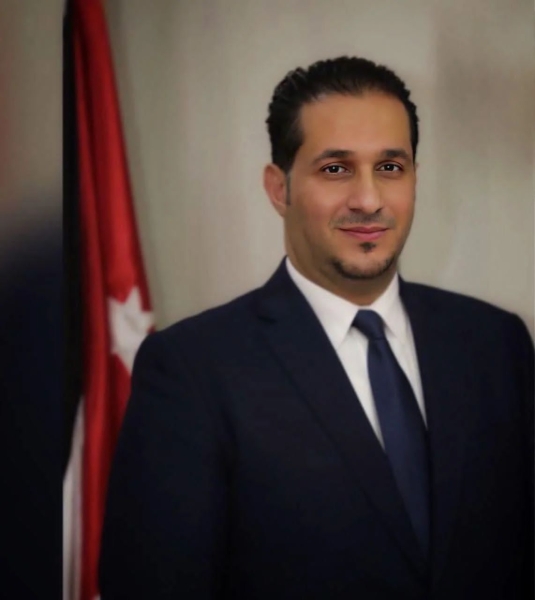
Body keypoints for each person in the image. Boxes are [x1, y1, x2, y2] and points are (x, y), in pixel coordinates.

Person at [99, 56, 534, 599]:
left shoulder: (496, 344)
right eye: (336, 169)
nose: (368, 200)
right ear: (278, 189)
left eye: (390, 167)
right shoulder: (192, 370)